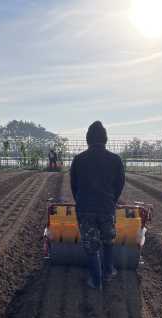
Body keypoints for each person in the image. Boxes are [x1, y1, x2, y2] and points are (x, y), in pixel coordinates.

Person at [70, 121, 125, 289]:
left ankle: (95, 280)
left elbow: (74, 185)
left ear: (88, 139)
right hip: (106, 207)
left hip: (85, 208)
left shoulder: (79, 160)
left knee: (91, 246)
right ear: (105, 139)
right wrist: (112, 200)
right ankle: (108, 271)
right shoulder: (115, 160)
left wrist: (80, 201)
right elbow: (120, 183)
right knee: (108, 240)